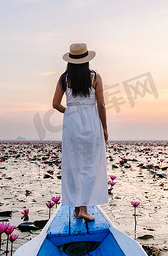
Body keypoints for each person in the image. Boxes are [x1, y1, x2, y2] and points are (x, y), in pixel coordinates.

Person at [52, 43, 109, 221]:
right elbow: (101, 105)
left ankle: (78, 208)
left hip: (72, 124)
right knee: (90, 165)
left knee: (74, 164)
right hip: (91, 123)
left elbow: (55, 104)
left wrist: (69, 112)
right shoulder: (95, 77)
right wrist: (105, 127)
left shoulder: (64, 78)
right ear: (86, 60)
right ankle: (83, 208)